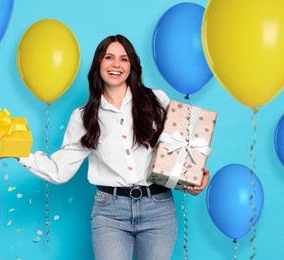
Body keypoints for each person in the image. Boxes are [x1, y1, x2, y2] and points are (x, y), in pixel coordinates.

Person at [18, 34, 210, 260]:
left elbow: (189, 144)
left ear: (132, 67)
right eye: (109, 57)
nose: (116, 64)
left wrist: (196, 176)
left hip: (158, 209)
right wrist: (17, 153)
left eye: (124, 59)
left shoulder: (156, 100)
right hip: (109, 212)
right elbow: (60, 171)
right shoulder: (83, 117)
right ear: (98, 63)